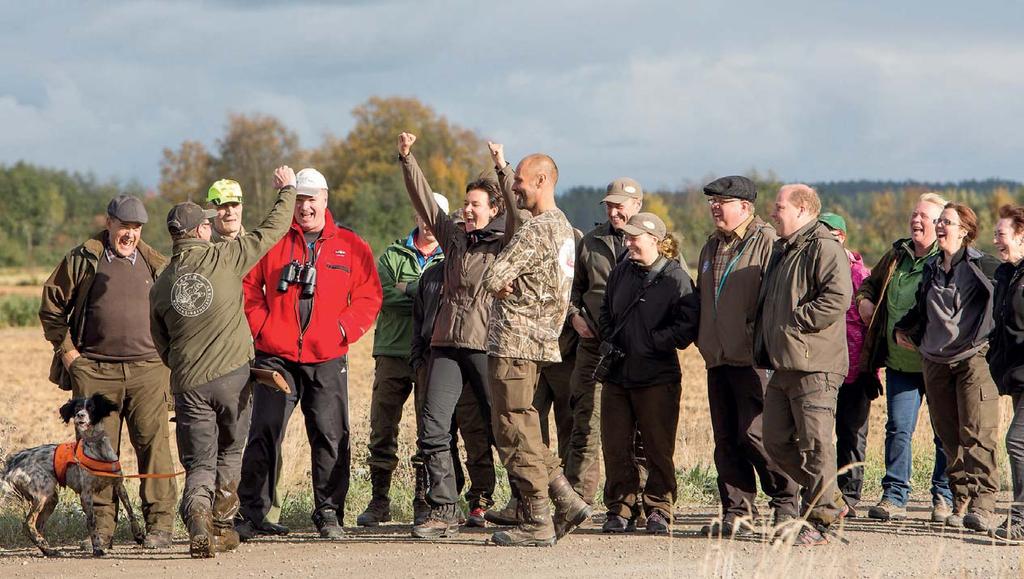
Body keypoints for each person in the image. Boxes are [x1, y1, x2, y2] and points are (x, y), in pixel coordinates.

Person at [149, 167, 297, 558]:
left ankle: (196, 513)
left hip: (189, 384)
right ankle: (220, 525)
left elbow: (159, 340)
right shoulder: (226, 257)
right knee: (231, 451)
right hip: (233, 377)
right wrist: (287, 190)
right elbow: (273, 229)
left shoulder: (162, 283)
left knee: (199, 460)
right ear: (200, 231)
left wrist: (182, 365)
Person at [237, 167, 383, 540]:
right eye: (299, 199)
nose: (304, 207)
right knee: (264, 432)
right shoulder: (272, 241)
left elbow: (369, 296)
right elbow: (249, 288)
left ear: (325, 199)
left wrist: (342, 330)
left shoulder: (350, 244)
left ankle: (329, 511)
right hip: (276, 354)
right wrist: (263, 328)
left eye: (311, 199)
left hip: (327, 354)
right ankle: (252, 512)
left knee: (331, 434)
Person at [38, 194, 177, 550]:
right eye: (123, 226)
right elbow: (51, 305)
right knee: (97, 451)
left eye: (136, 228)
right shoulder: (83, 259)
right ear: (109, 222)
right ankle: (101, 530)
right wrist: (69, 353)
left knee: (154, 445)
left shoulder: (155, 263)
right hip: (96, 371)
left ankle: (160, 526)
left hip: (149, 370)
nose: (129, 234)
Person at [397, 133, 508, 538]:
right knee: (432, 428)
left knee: (503, 428)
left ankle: (527, 502)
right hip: (444, 344)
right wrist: (407, 159)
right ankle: (444, 509)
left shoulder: (505, 240)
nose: (467, 210)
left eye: (475, 205)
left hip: (484, 345)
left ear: (493, 209)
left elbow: (517, 209)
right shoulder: (455, 239)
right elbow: (425, 201)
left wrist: (501, 166)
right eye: (465, 204)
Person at [481, 149, 592, 547]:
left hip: (514, 342)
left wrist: (501, 282)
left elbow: (494, 275)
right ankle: (566, 499)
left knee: (512, 429)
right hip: (541, 342)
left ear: (543, 181)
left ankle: (537, 518)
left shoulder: (535, 229)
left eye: (520, 181)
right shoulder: (563, 228)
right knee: (526, 425)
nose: (515, 187)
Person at [693, 176, 799, 537]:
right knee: (726, 440)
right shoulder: (710, 247)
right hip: (718, 357)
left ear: (746, 207)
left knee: (758, 435)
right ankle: (738, 512)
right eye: (712, 202)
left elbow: (777, 299)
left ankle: (786, 502)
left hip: (753, 358)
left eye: (723, 202)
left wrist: (761, 343)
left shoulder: (768, 243)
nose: (715, 208)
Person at [754, 184, 852, 546]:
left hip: (815, 364)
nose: (773, 212)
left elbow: (839, 296)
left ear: (802, 209)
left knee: (815, 446)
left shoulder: (823, 246)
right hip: (784, 364)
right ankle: (831, 501)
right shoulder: (784, 249)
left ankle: (823, 522)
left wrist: (797, 321)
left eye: (779, 206)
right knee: (776, 441)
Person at [894, 202, 1001, 532]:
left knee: (977, 434)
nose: (940, 226)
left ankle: (983, 504)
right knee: (948, 437)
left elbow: (1009, 299)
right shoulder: (932, 268)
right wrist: (904, 329)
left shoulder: (984, 265)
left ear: (965, 230)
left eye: (948, 222)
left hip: (974, 359)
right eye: (938, 221)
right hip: (935, 360)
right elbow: (921, 308)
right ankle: (961, 499)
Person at [855, 193, 954, 522]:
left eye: (925, 216)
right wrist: (865, 301)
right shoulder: (898, 255)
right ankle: (894, 495)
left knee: (944, 432)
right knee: (898, 428)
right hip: (900, 364)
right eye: (914, 214)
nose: (916, 220)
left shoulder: (948, 259)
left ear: (941, 224)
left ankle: (943, 495)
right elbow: (868, 284)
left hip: (937, 363)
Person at [598, 213, 698, 534]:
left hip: (657, 377)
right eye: (626, 238)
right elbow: (604, 312)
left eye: (634, 238)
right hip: (618, 375)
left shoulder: (677, 278)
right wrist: (611, 338)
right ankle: (621, 507)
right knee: (615, 446)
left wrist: (652, 342)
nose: (628, 243)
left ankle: (658, 507)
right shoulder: (620, 273)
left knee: (657, 447)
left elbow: (686, 327)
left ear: (655, 240)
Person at [357, 198, 445, 527]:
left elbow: (449, 297)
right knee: (382, 427)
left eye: (433, 217)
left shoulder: (450, 256)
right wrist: (428, 292)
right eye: (422, 215)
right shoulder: (392, 255)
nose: (427, 222)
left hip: (431, 352)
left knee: (429, 429)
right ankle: (379, 500)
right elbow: (382, 297)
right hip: (392, 350)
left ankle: (423, 501)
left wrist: (408, 288)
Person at [564, 178, 644, 511]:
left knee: (638, 430)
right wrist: (574, 317)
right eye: (609, 205)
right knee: (586, 424)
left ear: (637, 205)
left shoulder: (655, 240)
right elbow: (571, 290)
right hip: (594, 348)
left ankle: (637, 502)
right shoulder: (590, 243)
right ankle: (579, 501)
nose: (614, 211)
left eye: (620, 205)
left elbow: (678, 291)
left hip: (640, 351)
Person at [409, 238, 497, 528]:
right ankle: (445, 505)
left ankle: (482, 501)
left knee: (479, 436)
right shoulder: (432, 275)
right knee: (434, 432)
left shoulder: (486, 269)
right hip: (436, 360)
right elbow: (418, 318)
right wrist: (418, 360)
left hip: (475, 360)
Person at [817, 212, 878, 517]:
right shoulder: (816, 270)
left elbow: (871, 327)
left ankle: (850, 496)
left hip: (855, 368)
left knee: (852, 434)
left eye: (825, 233)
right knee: (820, 434)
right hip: (824, 366)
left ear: (839, 237)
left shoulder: (860, 276)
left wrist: (871, 367)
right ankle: (825, 494)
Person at [988, 204, 1024, 543]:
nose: (995, 239)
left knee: (1017, 441)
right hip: (1015, 375)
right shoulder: (1005, 273)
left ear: (1021, 236)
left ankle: (1021, 519)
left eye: (1001, 234)